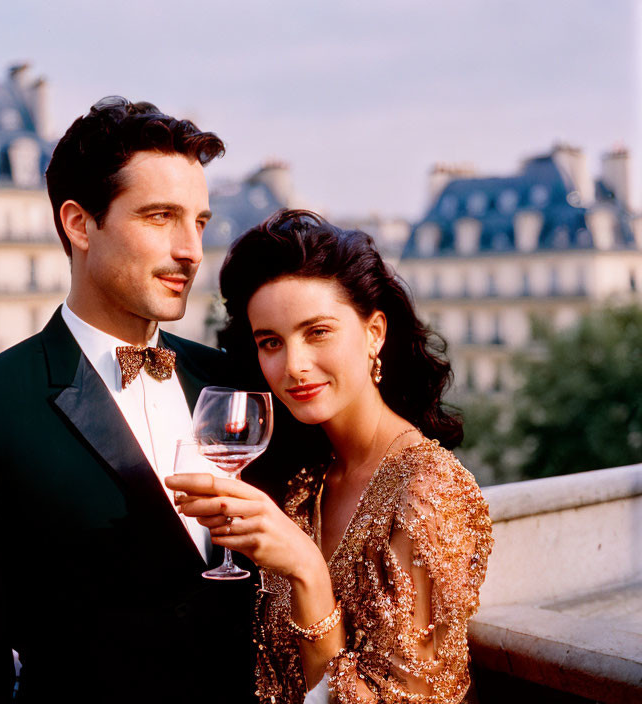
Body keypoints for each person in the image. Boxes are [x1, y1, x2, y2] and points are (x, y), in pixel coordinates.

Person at [0, 97, 256, 703]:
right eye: (160, 217)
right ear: (78, 224)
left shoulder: (229, 382)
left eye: (199, 221)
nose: (191, 250)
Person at [168, 209, 493, 703]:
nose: (294, 366)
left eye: (317, 332)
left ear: (374, 333)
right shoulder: (304, 481)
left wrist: (307, 570)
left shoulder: (427, 491)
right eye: (271, 342)